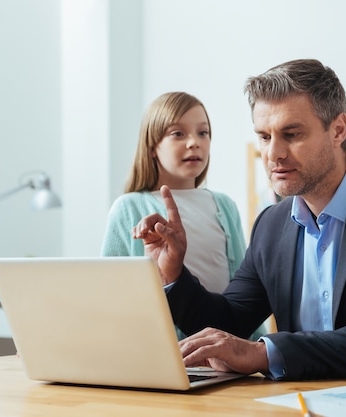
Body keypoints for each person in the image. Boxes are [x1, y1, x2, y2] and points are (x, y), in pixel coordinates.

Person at [133, 59, 346, 381]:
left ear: (338, 129)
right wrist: (173, 273)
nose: (273, 154)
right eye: (264, 137)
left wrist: (265, 354)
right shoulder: (271, 224)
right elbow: (230, 323)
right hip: (305, 402)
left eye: (292, 135)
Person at [102, 92, 266, 338]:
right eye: (178, 133)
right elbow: (111, 296)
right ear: (152, 146)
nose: (194, 142)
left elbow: (242, 288)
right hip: (167, 355)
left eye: (203, 132)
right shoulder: (128, 208)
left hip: (229, 349)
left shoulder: (224, 205)